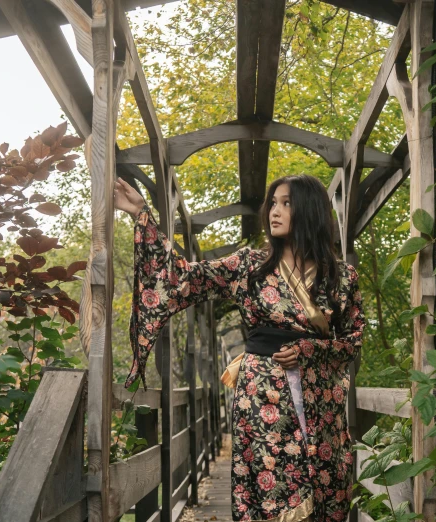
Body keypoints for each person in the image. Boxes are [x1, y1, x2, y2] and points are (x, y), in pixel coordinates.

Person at [114, 173, 365, 522]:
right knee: (274, 490)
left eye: (286, 203)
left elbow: (352, 342)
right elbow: (180, 278)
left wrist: (311, 350)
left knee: (325, 489)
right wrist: (141, 213)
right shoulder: (249, 265)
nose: (274, 212)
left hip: (321, 403)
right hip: (262, 394)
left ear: (310, 210)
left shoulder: (341, 277)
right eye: (272, 203)